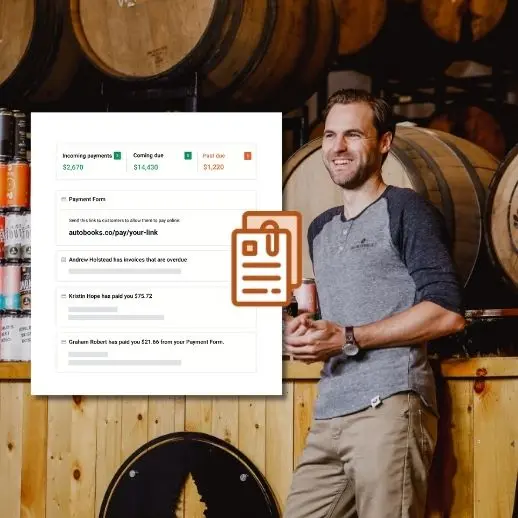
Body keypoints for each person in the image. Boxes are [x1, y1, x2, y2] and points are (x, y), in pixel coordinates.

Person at [283, 89, 466, 518]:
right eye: (329, 136)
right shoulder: (321, 229)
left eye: (352, 135)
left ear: (384, 142)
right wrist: (301, 334)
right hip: (329, 415)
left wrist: (348, 337)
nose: (337, 148)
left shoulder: (406, 210)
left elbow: (447, 310)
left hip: (388, 407)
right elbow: (330, 318)